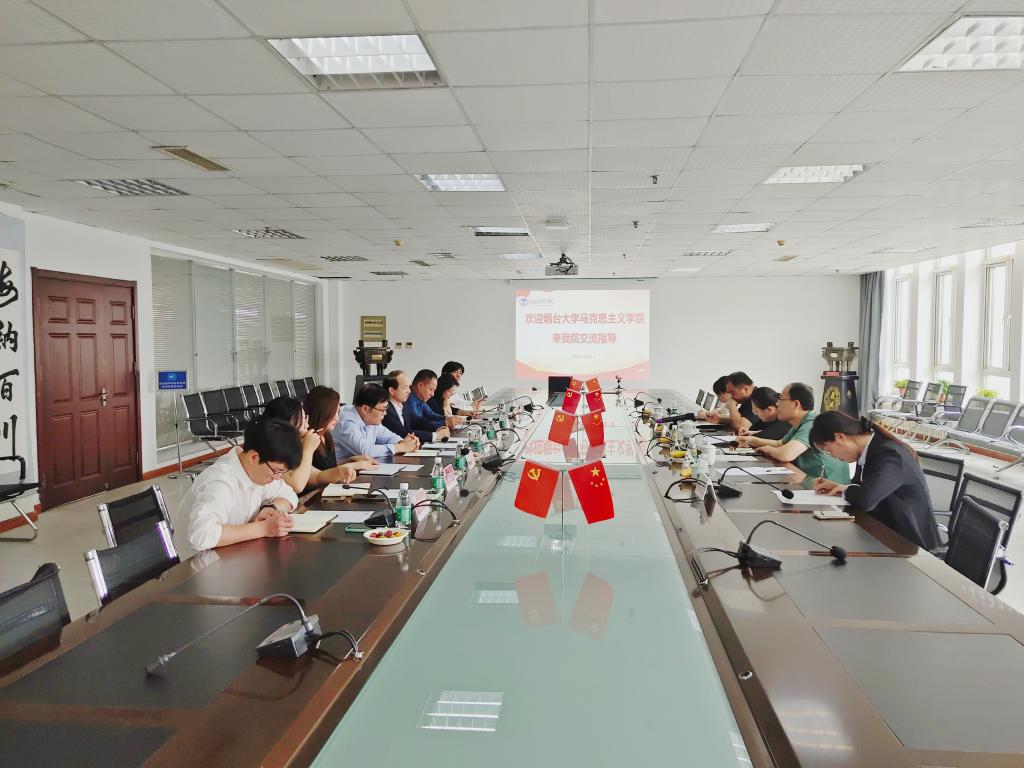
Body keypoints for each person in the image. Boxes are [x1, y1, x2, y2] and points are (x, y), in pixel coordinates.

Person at [809, 411, 941, 550]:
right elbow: (865, 490)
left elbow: (865, 500)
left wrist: (848, 490)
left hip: (910, 545)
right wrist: (841, 488)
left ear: (840, 437)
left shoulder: (890, 455)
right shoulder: (869, 451)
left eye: (828, 451)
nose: (832, 456)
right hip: (884, 534)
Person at [182, 418, 302, 551]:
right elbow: (200, 535)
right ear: (254, 457)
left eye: (282, 472)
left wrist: (270, 508)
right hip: (202, 560)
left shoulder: (257, 471)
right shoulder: (221, 481)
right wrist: (263, 528)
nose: (277, 477)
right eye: (276, 471)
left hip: (237, 553)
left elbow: (289, 495)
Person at [738, 382, 851, 487]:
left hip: (829, 488)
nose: (777, 403)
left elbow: (785, 454)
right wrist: (751, 440)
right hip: (813, 482)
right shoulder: (800, 422)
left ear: (796, 404)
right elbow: (779, 443)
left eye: (781, 399)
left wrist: (768, 449)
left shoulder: (812, 423)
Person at [261, 394, 375, 493]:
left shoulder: (295, 446)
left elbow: (317, 476)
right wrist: (308, 449)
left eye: (305, 418)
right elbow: (297, 485)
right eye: (302, 419)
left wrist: (340, 471)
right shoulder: (273, 451)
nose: (307, 424)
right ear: (287, 423)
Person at [332, 383, 418, 460]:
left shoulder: (370, 419)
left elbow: (388, 436)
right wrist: (400, 447)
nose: (385, 413)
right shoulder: (346, 422)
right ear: (365, 409)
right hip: (342, 470)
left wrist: (406, 443)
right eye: (382, 409)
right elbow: (365, 451)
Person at [382, 370, 449, 443]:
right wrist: (436, 436)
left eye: (409, 387)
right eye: (405, 387)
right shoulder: (386, 410)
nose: (409, 391)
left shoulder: (401, 405)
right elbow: (402, 433)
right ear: (392, 390)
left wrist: (438, 429)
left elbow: (417, 421)